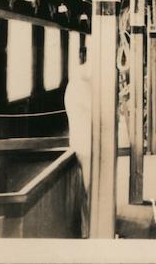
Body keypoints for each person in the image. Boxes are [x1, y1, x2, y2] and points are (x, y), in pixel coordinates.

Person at [64, 45, 91, 238]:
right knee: (90, 189)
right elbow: (98, 111)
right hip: (86, 144)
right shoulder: (82, 83)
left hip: (86, 142)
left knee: (90, 189)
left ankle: (91, 230)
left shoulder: (80, 80)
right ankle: (90, 232)